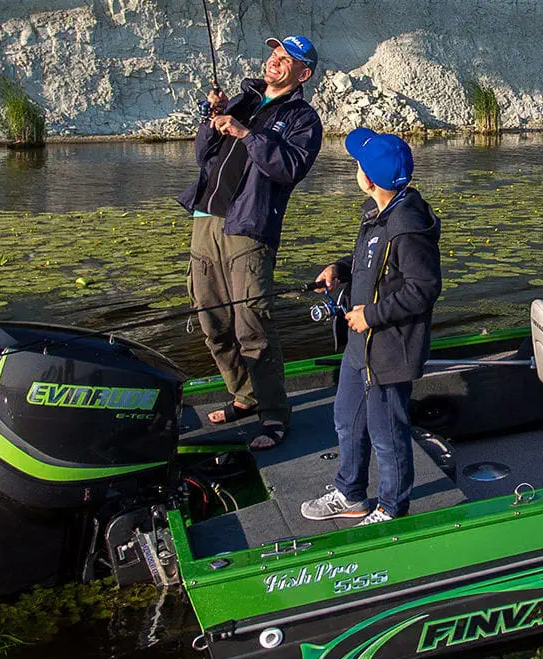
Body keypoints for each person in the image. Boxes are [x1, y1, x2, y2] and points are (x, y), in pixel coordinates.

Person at [179, 35, 324, 449]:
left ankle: (275, 415)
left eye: (286, 59)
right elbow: (204, 157)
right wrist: (215, 116)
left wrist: (246, 133)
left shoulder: (302, 119)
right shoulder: (242, 101)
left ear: (303, 74)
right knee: (213, 324)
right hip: (205, 222)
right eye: (274, 55)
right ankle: (244, 396)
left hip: (248, 229)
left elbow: (289, 168)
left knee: (252, 326)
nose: (275, 62)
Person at [300, 130, 442, 525]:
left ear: (370, 177)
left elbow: (424, 289)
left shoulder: (408, 227)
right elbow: (368, 258)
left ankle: (392, 508)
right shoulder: (377, 211)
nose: (355, 169)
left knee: (387, 433)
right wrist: (338, 270)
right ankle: (350, 494)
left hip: (389, 348)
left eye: (359, 165)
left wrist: (371, 316)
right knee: (347, 418)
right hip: (359, 345)